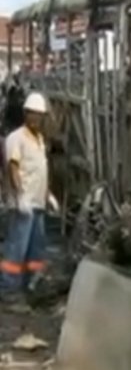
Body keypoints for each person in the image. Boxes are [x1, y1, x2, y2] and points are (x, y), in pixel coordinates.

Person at [1, 93, 51, 304]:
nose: (36, 118)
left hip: (37, 203)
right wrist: (20, 196)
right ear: (25, 113)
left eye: (39, 115)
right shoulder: (17, 137)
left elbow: (40, 169)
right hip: (23, 204)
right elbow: (13, 168)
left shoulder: (39, 139)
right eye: (32, 114)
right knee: (17, 247)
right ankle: (8, 288)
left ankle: (31, 283)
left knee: (35, 249)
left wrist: (48, 195)